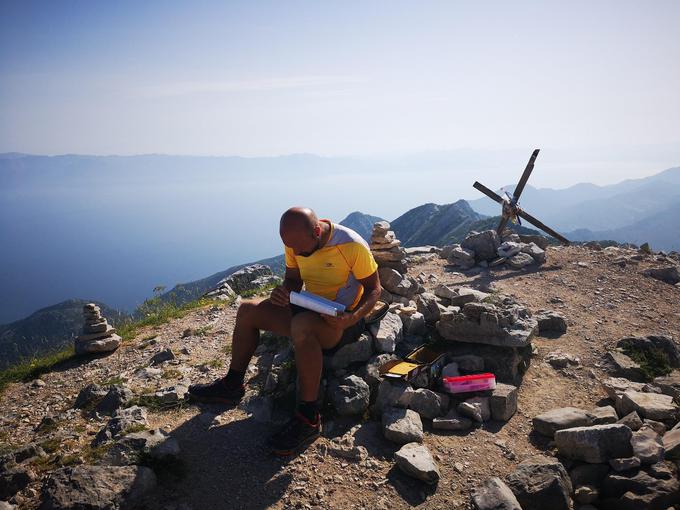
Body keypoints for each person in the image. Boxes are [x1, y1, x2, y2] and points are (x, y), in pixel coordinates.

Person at [188, 207, 381, 455]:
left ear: (316, 231)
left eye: (300, 248)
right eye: (291, 247)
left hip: (340, 321)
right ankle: (232, 385)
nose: (296, 252)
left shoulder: (352, 245)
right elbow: (293, 280)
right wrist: (283, 292)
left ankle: (309, 418)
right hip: (306, 308)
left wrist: (351, 318)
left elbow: (375, 289)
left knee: (301, 326)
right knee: (247, 310)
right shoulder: (295, 241)